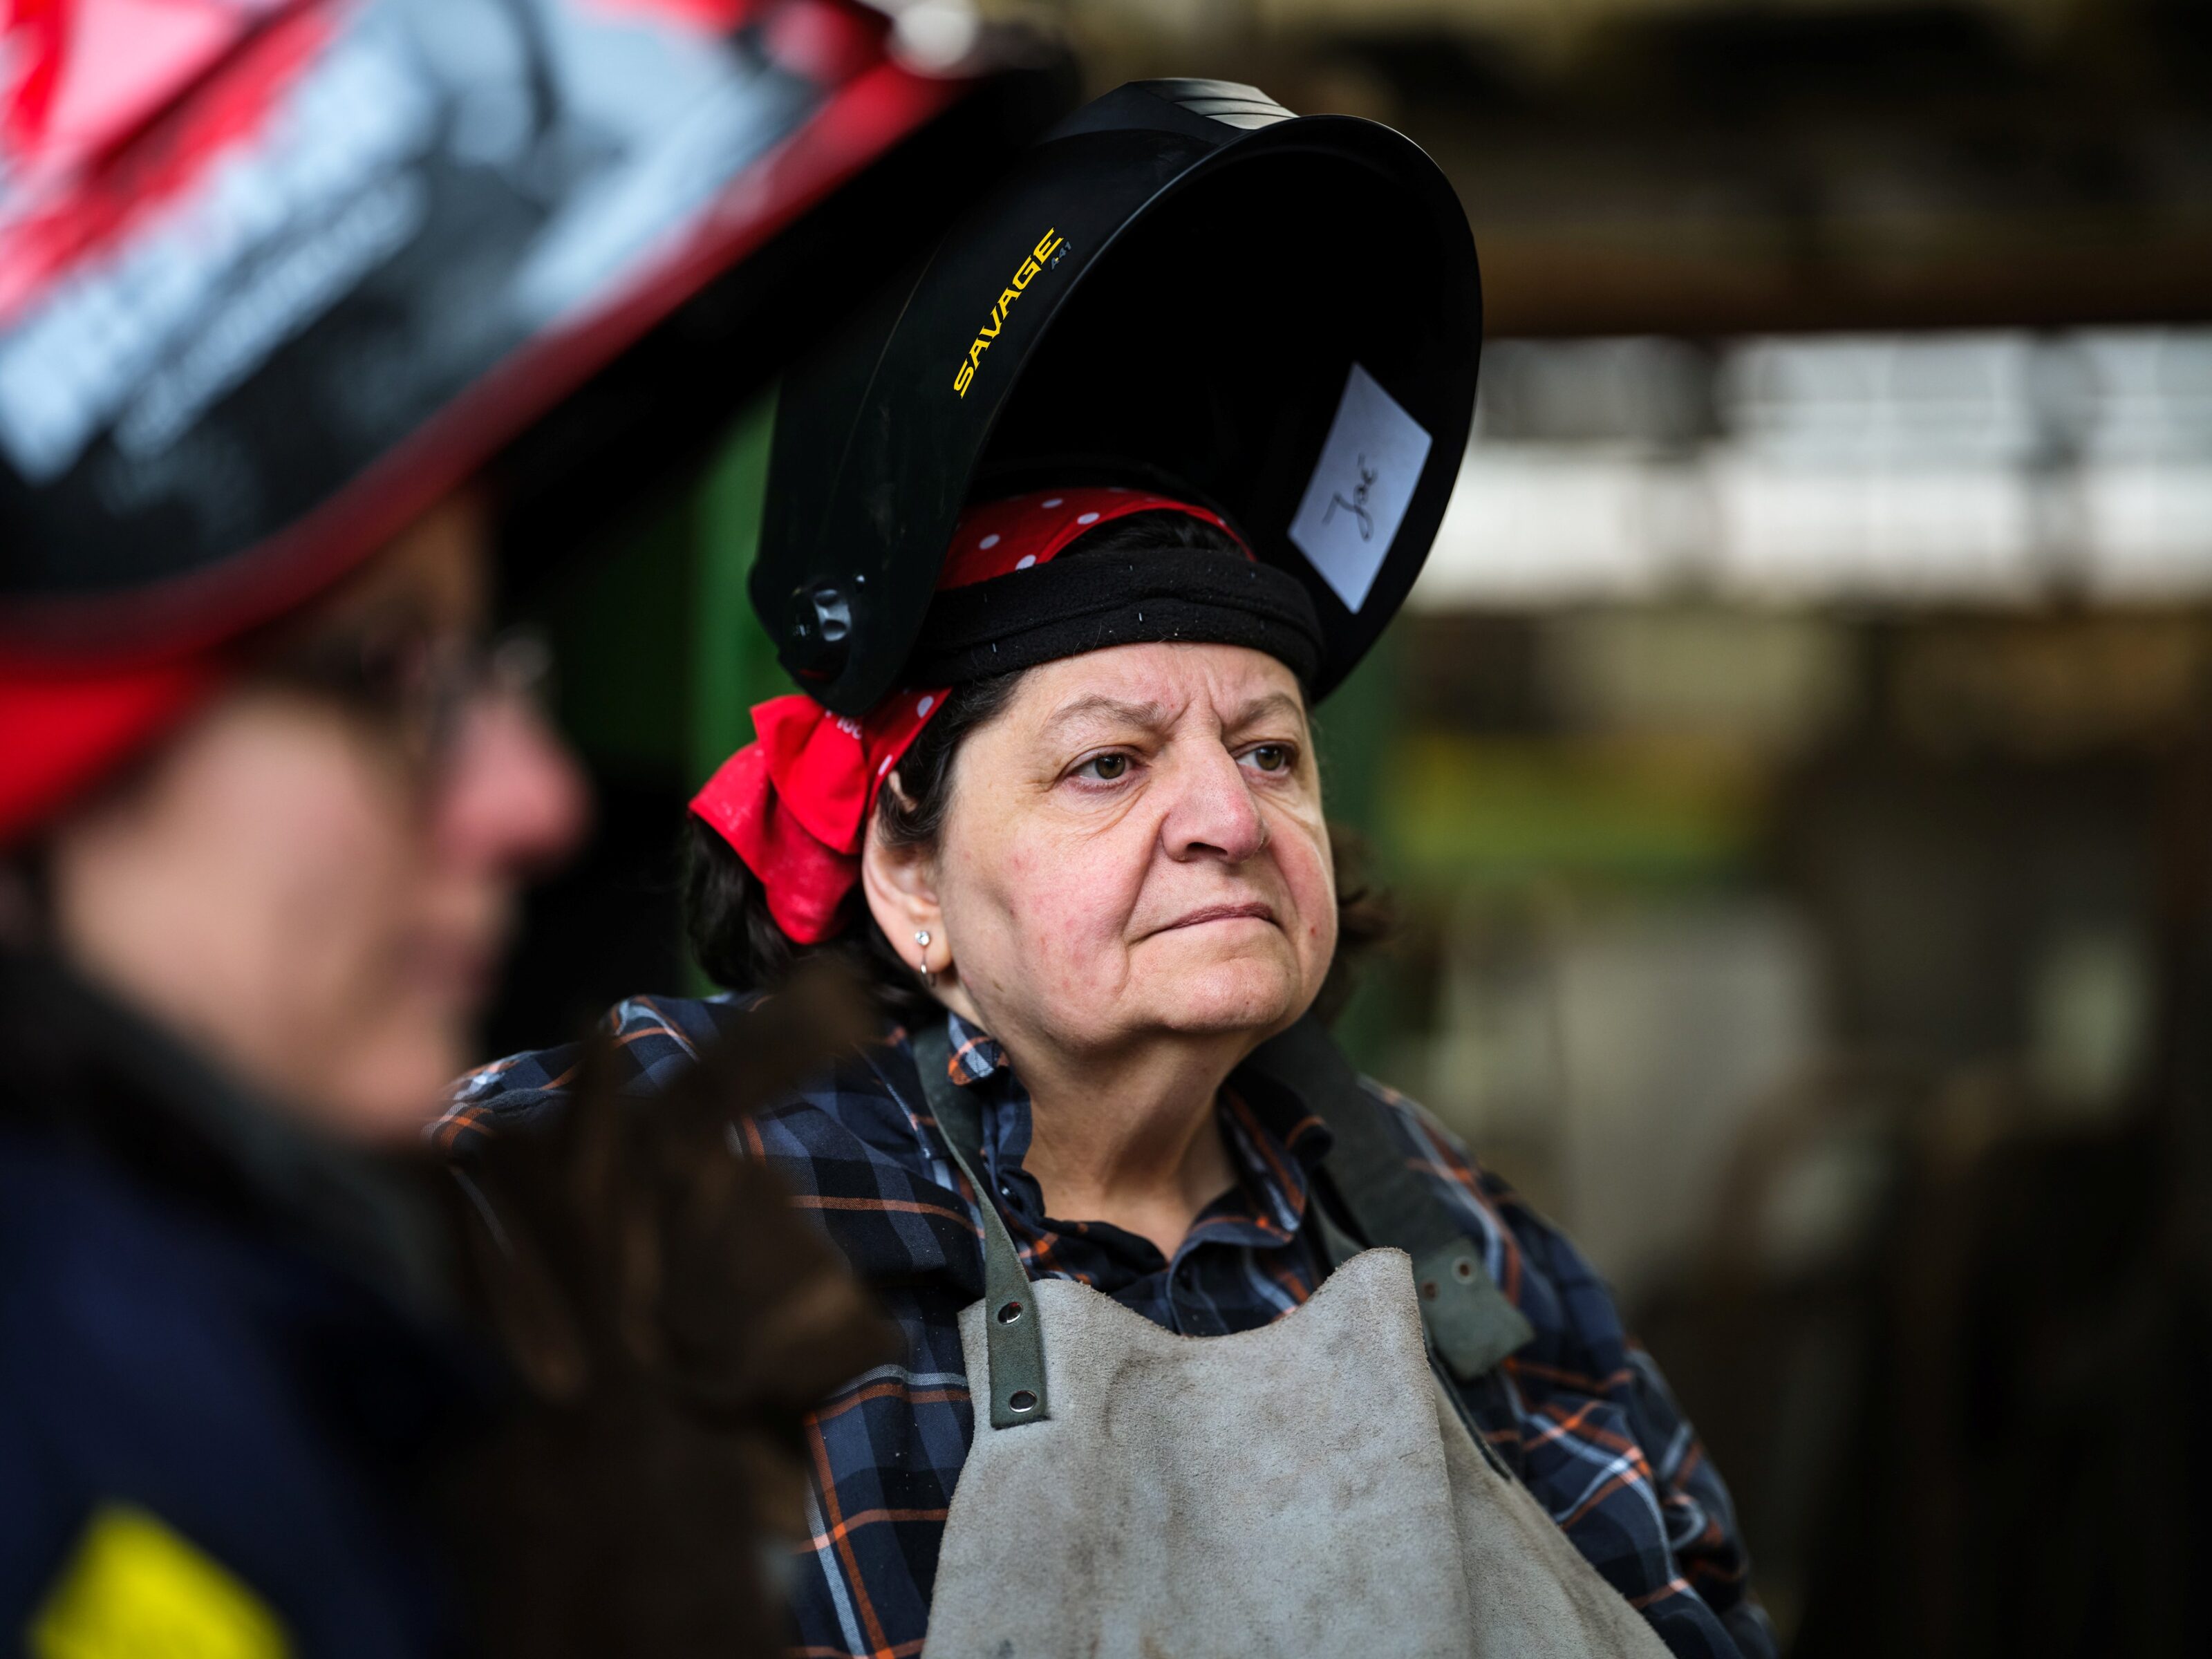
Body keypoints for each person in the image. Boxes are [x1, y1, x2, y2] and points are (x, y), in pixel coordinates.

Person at [443, 80, 1777, 1659]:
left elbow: (1696, 1615)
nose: (1229, 816)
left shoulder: (1446, 1231)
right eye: (1109, 764)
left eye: (1268, 751)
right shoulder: (658, 1176)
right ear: (910, 876)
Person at [0, 1, 1059, 1650]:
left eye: (485, 664)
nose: (533, 800)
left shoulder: (230, 1339)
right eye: (384, 672)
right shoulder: (65, 1462)